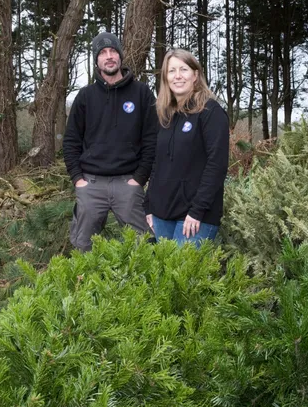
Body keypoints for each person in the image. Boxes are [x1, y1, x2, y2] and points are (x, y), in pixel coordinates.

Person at [63, 32, 158, 251]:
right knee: (82, 245)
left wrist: (140, 178)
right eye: (103, 53)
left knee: (144, 245)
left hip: (128, 183)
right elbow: (70, 141)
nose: (109, 56)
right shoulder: (85, 96)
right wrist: (78, 179)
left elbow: (152, 140)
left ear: (120, 56)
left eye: (113, 51)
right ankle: (86, 284)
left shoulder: (141, 93)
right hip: (91, 184)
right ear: (96, 60)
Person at [144, 49, 229, 246]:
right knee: (163, 275)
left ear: (195, 75)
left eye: (184, 69)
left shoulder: (211, 112)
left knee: (182, 275)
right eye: (172, 71)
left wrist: (197, 211)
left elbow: (216, 166)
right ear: (166, 77)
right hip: (161, 215)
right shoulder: (164, 115)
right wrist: (148, 206)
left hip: (194, 218)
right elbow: (157, 163)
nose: (178, 76)